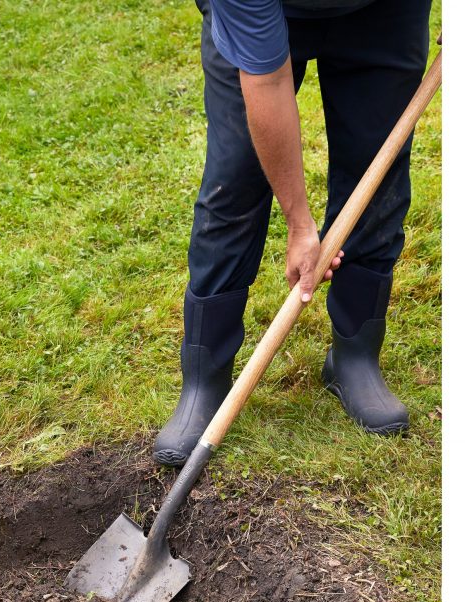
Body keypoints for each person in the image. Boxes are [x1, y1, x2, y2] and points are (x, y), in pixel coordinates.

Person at [154, 0, 432, 468]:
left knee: (376, 174)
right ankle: (205, 378)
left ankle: (354, 355)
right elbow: (267, 79)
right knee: (236, 178)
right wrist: (300, 225)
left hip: (384, 12)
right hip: (264, 12)